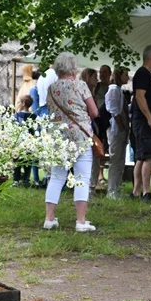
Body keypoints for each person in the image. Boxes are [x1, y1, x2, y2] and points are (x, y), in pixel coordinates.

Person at [43, 52, 98, 232]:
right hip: (80, 136)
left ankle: (49, 219)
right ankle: (81, 221)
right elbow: (94, 112)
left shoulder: (51, 88)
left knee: (56, 177)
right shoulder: (80, 85)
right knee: (82, 178)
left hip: (58, 137)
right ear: (74, 69)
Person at [131, 45, 151, 201]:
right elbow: (139, 96)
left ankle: (136, 191)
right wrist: (150, 117)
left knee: (141, 157)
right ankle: (146, 192)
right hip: (144, 122)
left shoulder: (144, 74)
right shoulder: (143, 74)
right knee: (149, 156)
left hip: (142, 121)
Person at [105, 67, 130, 198]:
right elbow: (114, 110)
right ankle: (111, 190)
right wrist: (121, 126)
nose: (128, 77)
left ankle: (116, 187)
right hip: (116, 128)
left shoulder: (118, 90)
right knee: (115, 159)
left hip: (121, 127)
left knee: (120, 159)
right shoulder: (113, 89)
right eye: (125, 75)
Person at [12, 95, 34, 186]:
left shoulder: (17, 116)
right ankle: (26, 180)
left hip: (18, 142)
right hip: (29, 143)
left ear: (23, 103)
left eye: (19, 102)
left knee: (16, 161)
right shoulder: (33, 116)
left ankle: (16, 180)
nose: (18, 104)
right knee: (27, 162)